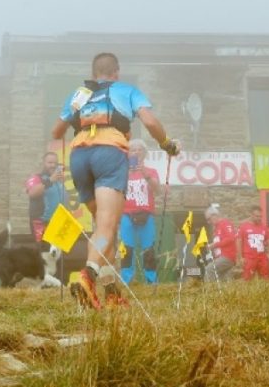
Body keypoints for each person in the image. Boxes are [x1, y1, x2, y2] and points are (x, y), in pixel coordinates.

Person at [51, 52, 179, 310]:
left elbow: (56, 132)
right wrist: (167, 144)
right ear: (116, 72)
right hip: (109, 153)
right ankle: (88, 276)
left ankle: (111, 294)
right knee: (108, 226)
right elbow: (151, 122)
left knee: (101, 226)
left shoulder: (80, 94)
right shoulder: (127, 90)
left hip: (79, 156)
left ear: (94, 71)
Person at [120, 140, 160, 285]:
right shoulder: (122, 172)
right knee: (127, 249)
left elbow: (158, 190)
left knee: (148, 249)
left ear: (144, 153)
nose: (136, 152)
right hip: (126, 214)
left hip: (146, 214)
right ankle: (126, 280)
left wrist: (145, 174)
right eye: (133, 150)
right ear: (128, 154)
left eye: (139, 150)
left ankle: (152, 280)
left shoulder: (151, 171)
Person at [24, 152, 67, 245]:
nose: (53, 165)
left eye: (55, 163)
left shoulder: (59, 180)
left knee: (58, 253)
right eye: (50, 162)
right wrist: (50, 180)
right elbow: (32, 193)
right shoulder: (36, 177)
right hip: (41, 223)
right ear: (43, 163)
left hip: (58, 222)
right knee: (43, 252)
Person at [236, 203, 269, 281]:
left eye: (260, 216)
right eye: (257, 216)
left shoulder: (263, 227)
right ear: (251, 215)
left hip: (262, 257)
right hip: (249, 258)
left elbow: (268, 241)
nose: (259, 218)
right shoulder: (243, 226)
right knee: (248, 279)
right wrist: (240, 257)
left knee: (266, 279)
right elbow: (238, 241)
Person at [205, 203, 238, 280]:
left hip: (227, 256)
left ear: (214, 215)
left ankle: (210, 290)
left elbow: (230, 238)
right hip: (221, 257)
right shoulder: (216, 228)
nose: (208, 222)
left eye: (209, 219)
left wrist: (214, 245)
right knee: (223, 279)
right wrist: (212, 246)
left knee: (209, 269)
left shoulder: (225, 223)